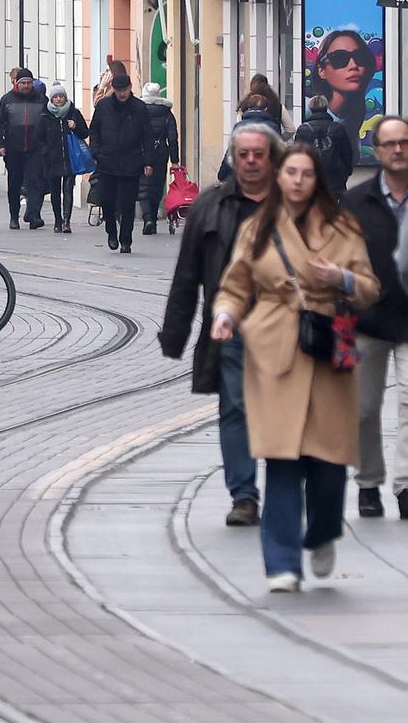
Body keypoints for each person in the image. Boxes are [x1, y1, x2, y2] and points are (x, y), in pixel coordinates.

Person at [210, 143, 379, 592]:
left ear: (316, 179)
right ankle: (282, 563)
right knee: (282, 460)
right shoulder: (259, 227)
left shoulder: (342, 226)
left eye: (306, 174)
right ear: (279, 178)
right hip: (272, 349)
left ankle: (322, 533)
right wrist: (225, 316)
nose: (298, 181)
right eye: (291, 173)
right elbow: (235, 282)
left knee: (327, 465)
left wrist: (339, 279)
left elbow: (367, 288)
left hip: (326, 348)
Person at [160, 121, 282, 527]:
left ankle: (287, 489)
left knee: (287, 409)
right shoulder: (210, 206)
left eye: (257, 155)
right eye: (242, 154)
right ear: (232, 157)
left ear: (273, 158)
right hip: (229, 327)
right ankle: (244, 495)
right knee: (235, 408)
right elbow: (186, 273)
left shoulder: (294, 203)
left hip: (287, 330)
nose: (249, 162)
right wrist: (175, 333)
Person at [344, 115, 408, 519]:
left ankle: (406, 486)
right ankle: (368, 481)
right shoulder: (357, 201)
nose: (399, 150)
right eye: (391, 144)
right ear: (378, 151)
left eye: (405, 142)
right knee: (364, 408)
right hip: (368, 318)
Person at [88, 73, 154, 253]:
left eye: (125, 90)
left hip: (131, 162)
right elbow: (94, 131)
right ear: (114, 89)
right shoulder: (103, 106)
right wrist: (96, 152)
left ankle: (126, 238)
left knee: (127, 204)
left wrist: (148, 161)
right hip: (106, 162)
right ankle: (111, 231)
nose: (122, 93)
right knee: (107, 202)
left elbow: (147, 136)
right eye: (119, 90)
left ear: (130, 88)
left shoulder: (139, 108)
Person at [30, 83, 89, 233]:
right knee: (55, 191)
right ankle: (58, 220)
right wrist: (45, 151)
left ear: (65, 97)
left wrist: (75, 126)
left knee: (68, 188)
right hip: (51, 159)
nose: (58, 99)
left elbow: (85, 133)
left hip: (70, 158)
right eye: (55, 97)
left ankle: (67, 221)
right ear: (51, 98)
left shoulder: (73, 113)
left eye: (61, 96)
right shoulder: (45, 116)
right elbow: (37, 138)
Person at [0, 69, 46, 230]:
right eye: (23, 83)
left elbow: (47, 121)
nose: (26, 86)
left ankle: (34, 215)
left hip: (35, 148)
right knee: (14, 184)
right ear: (17, 83)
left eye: (29, 82)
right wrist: (0, 145)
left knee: (35, 182)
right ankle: (14, 216)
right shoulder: (7, 99)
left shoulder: (41, 99)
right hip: (13, 149)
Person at [311, 30, 376, 149]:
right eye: (339, 58)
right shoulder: (309, 111)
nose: (353, 65)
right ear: (322, 71)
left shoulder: (358, 117)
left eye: (360, 57)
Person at [138, 82, 181, 234]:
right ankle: (154, 221)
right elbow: (173, 138)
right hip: (161, 153)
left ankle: (147, 218)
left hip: (142, 152)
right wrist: (175, 161)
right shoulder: (167, 113)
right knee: (157, 186)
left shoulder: (139, 111)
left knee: (143, 186)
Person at [293, 95, 355, 194]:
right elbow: (347, 152)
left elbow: (297, 154)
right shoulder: (337, 128)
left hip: (311, 174)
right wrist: (347, 172)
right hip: (335, 175)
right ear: (326, 107)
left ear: (310, 108)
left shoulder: (303, 129)